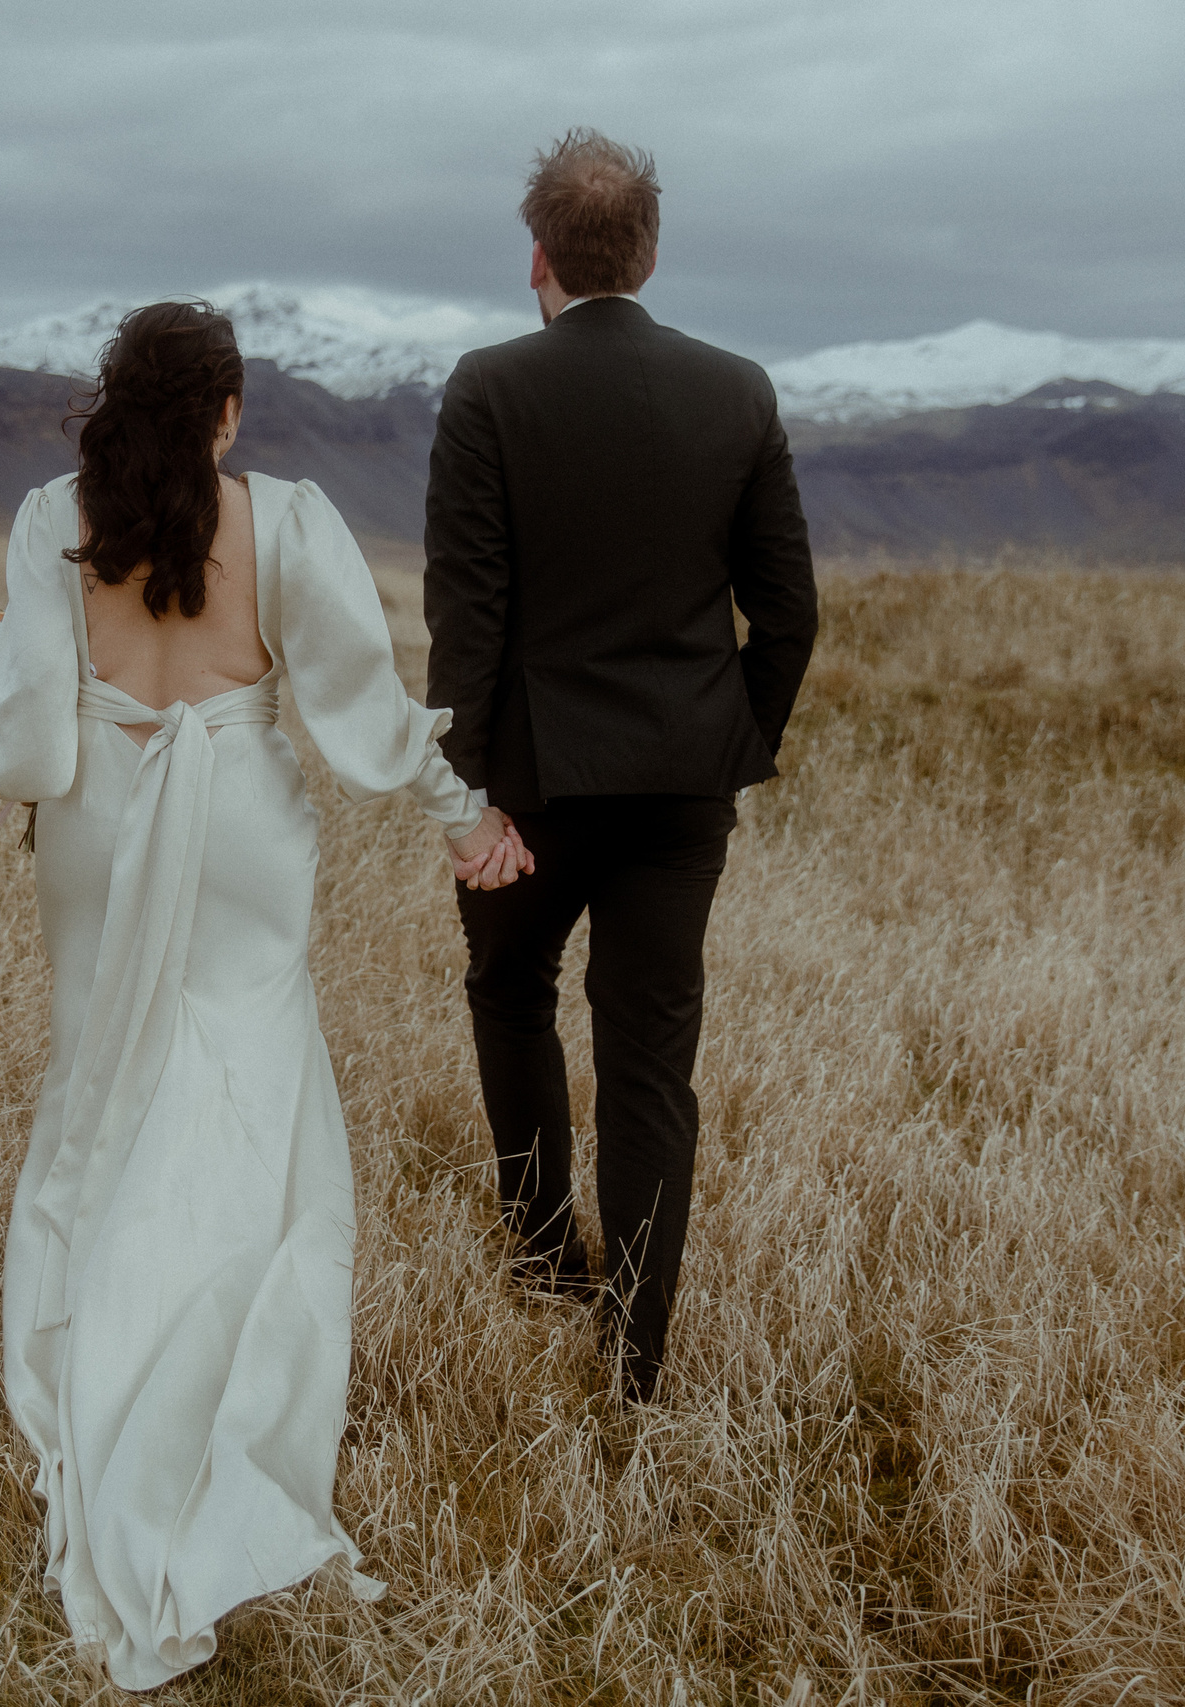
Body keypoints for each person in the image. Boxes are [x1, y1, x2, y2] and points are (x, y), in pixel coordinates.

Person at [0, 301, 528, 1690]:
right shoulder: (283, 518)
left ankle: (99, 1333)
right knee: (244, 1077)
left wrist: (2, 689)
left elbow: (29, 735)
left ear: (117, 400)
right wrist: (465, 810)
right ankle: (212, 1363)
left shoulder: (53, 515)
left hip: (98, 824)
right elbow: (363, 701)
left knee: (103, 1069)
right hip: (243, 836)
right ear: (227, 411)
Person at [424, 129, 820, 1404]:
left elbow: (465, 615)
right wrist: (733, 743)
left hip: (529, 788)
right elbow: (790, 614)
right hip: (679, 789)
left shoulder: (487, 389)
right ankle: (635, 1355)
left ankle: (545, 1261)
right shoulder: (738, 390)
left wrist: (468, 793)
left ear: (534, 257)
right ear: (647, 255)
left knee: (511, 995)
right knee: (649, 1056)